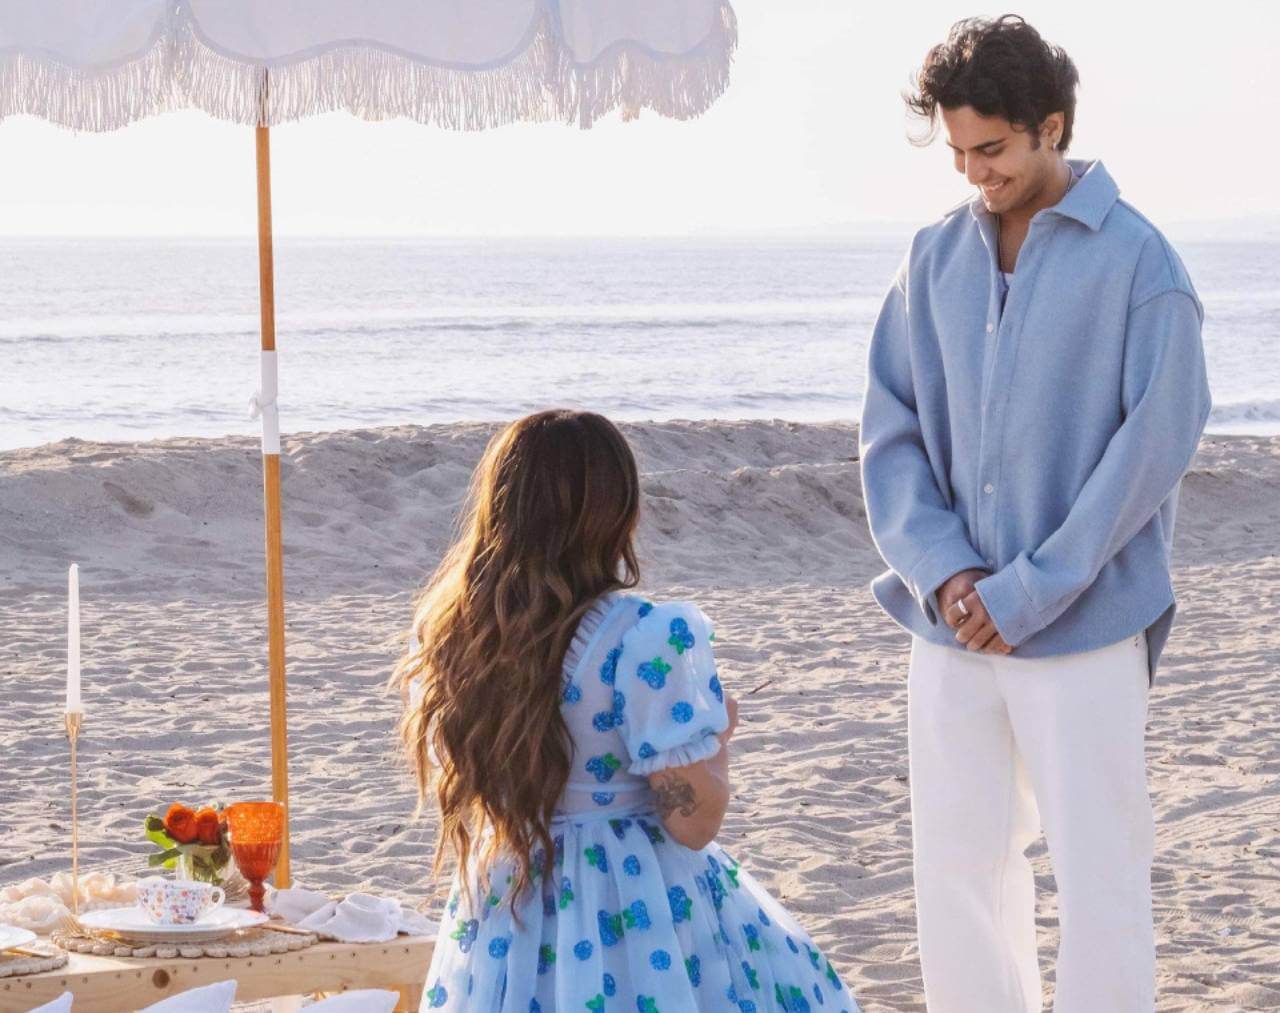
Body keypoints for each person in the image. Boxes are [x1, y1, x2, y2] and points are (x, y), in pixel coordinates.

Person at [858, 15, 1212, 1013]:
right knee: (958, 868)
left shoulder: (1141, 266)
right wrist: (946, 572)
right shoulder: (930, 259)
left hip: (1083, 624)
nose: (974, 171)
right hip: (950, 620)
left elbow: (1149, 450)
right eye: (959, 151)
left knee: (1097, 870)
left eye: (993, 148)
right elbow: (888, 431)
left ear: (1049, 125)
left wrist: (1028, 589)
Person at [394, 410, 859, 1012]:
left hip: (509, 901)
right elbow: (693, 823)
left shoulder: (454, 634)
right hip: (632, 903)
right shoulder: (645, 636)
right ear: (619, 511)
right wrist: (716, 741)